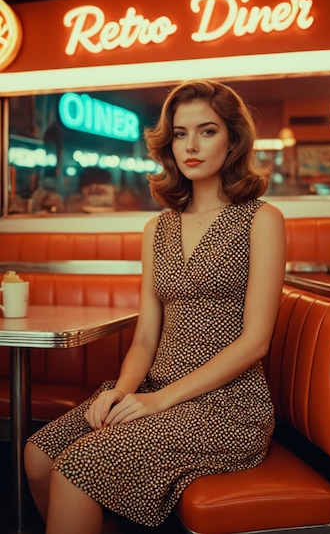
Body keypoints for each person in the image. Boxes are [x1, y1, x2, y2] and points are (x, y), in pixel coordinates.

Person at [24, 79, 286, 534]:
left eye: (207, 131)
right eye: (181, 134)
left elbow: (255, 342)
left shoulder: (262, 219)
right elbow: (146, 337)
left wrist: (156, 401)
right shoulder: (156, 229)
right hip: (152, 387)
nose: (192, 145)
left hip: (226, 406)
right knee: (37, 455)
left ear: (233, 139)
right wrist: (124, 391)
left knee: (76, 467)